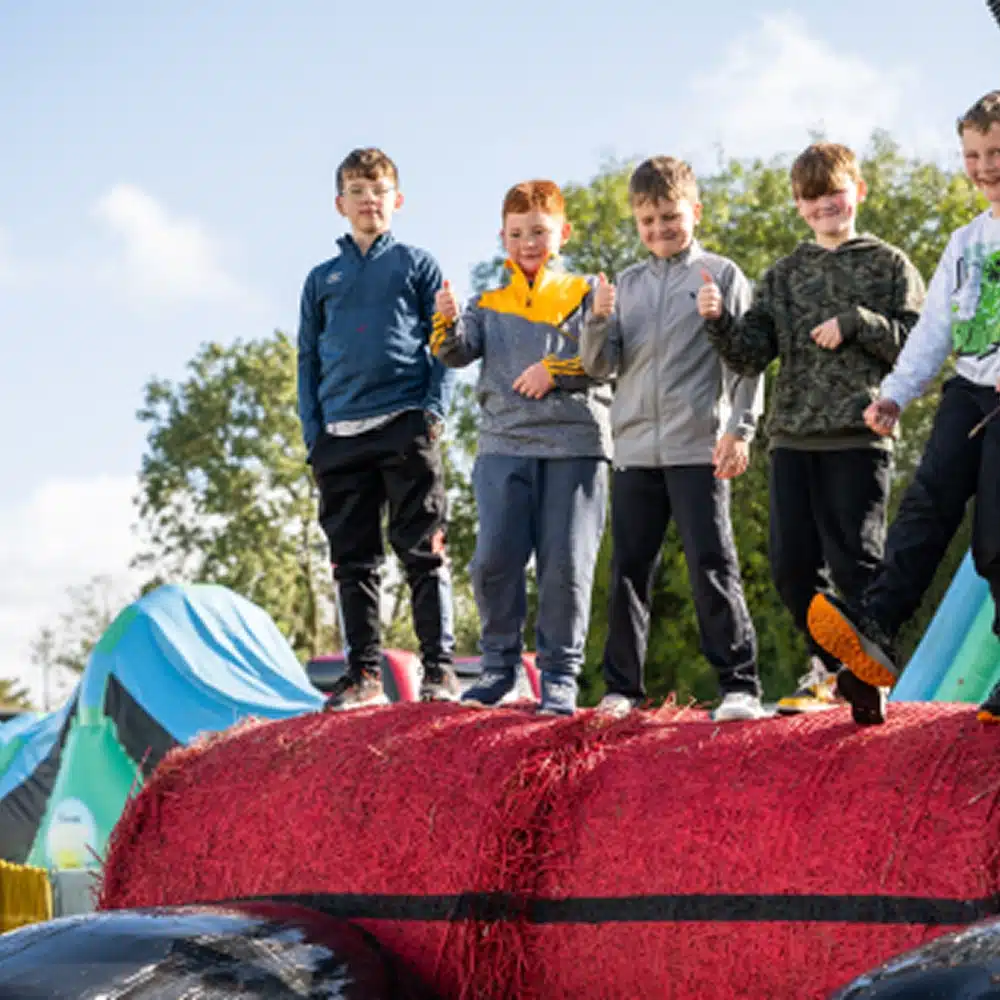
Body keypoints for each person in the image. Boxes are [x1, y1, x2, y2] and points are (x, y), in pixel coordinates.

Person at [697, 142, 926, 724]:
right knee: (791, 566)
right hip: (793, 438)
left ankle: (872, 676)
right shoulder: (784, 275)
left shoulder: (889, 264)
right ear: (799, 206)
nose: (826, 204)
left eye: (835, 192)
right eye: (813, 197)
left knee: (857, 564)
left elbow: (917, 343)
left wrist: (856, 323)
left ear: (858, 192)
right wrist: (718, 320)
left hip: (859, 433)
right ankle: (829, 672)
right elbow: (750, 355)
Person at [803, 92, 1000, 724]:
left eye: (995, 152)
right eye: (972, 154)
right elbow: (934, 329)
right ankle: (875, 634)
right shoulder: (966, 242)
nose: (983, 166)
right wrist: (894, 392)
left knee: (995, 540)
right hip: (969, 388)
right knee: (923, 505)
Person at [579, 156, 766, 722]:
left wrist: (740, 428)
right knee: (629, 572)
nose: (659, 229)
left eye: (669, 217)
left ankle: (739, 686)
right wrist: (596, 319)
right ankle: (622, 691)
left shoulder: (721, 275)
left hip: (696, 446)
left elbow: (746, 362)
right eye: (648, 220)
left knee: (712, 563)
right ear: (636, 222)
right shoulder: (626, 286)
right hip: (635, 452)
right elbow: (598, 367)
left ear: (694, 212)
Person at [431, 180, 612, 715]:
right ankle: (499, 669)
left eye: (539, 231)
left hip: (574, 445)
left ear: (562, 235)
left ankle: (558, 675)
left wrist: (555, 370)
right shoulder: (488, 302)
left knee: (565, 565)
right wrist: (444, 317)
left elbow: (606, 360)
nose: (528, 242)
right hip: (503, 446)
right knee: (493, 561)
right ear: (502, 238)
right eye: (516, 233)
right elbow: (453, 353)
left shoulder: (585, 292)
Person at [297, 147, 459, 710]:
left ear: (398, 200)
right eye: (358, 191)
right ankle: (363, 674)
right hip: (339, 436)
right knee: (353, 560)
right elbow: (306, 360)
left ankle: (440, 671)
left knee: (423, 549)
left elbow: (444, 338)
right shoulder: (323, 279)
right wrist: (312, 433)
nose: (370, 200)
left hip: (404, 422)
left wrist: (434, 408)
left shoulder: (417, 264)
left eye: (379, 190)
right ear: (340, 203)